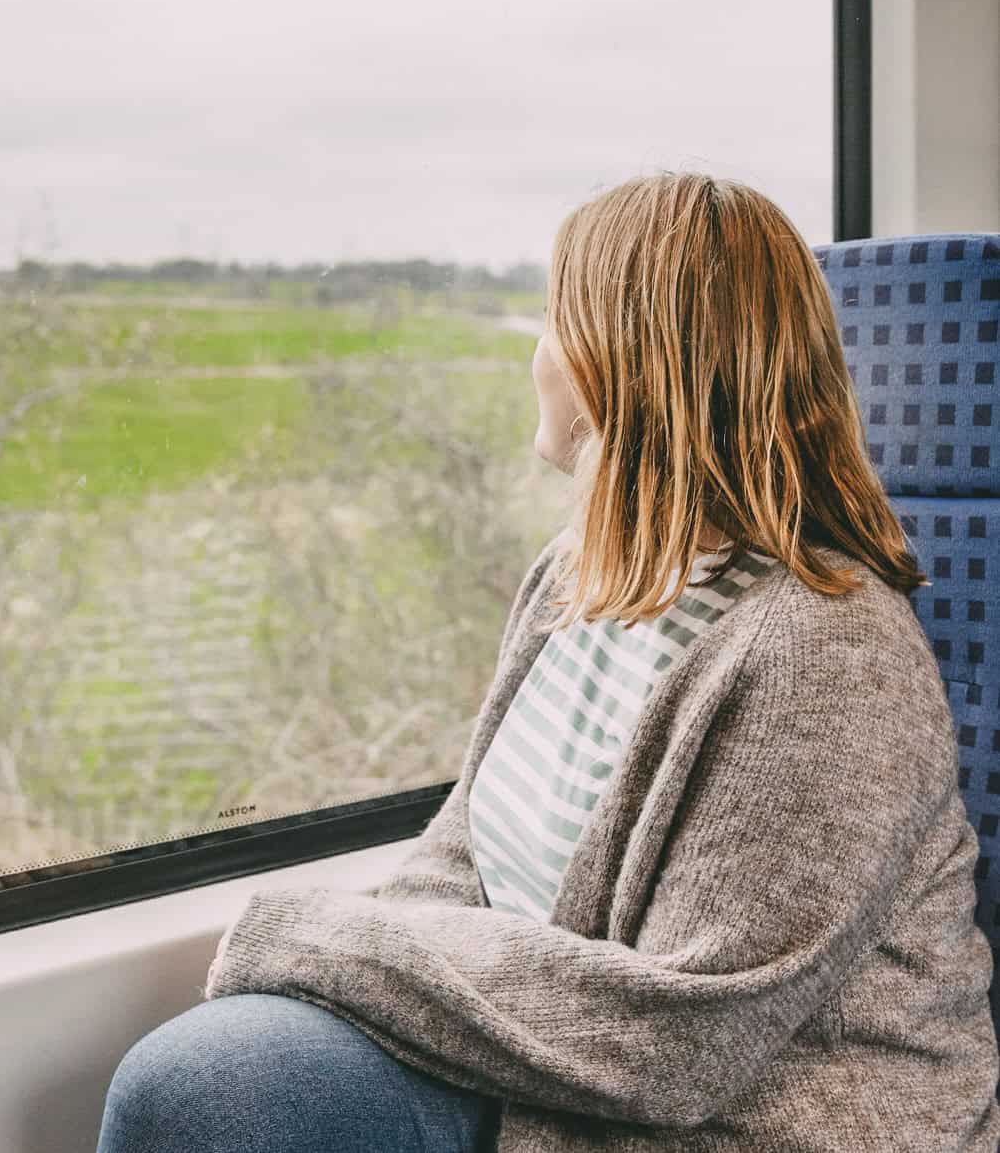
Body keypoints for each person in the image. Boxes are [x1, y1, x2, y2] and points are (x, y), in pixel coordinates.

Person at [95, 171, 1000, 1152]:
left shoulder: (822, 654)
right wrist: (351, 977)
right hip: (560, 1049)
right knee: (211, 1084)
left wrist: (310, 937)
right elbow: (464, 856)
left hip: (770, 1116)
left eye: (550, 318)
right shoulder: (576, 577)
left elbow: (681, 1044)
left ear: (625, 363)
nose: (537, 354)